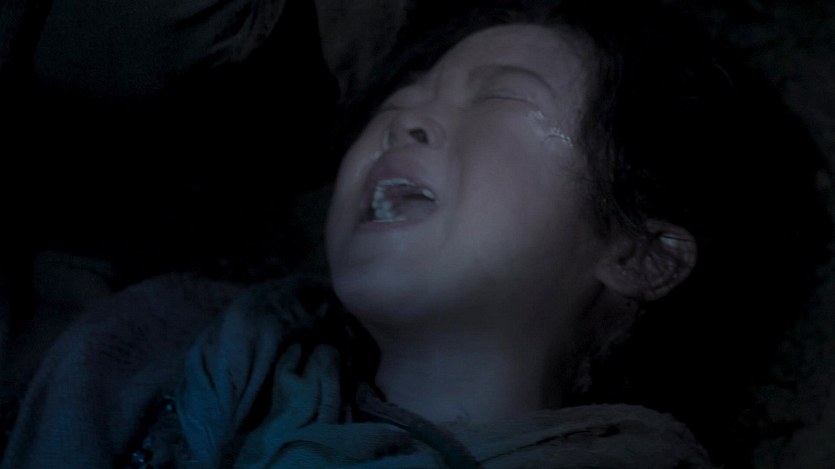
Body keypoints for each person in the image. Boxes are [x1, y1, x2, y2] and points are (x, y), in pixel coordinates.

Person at [1, 0, 830, 467]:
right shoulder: (179, 346)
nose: (407, 120)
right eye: (400, 101)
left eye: (498, 96)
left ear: (640, 253)